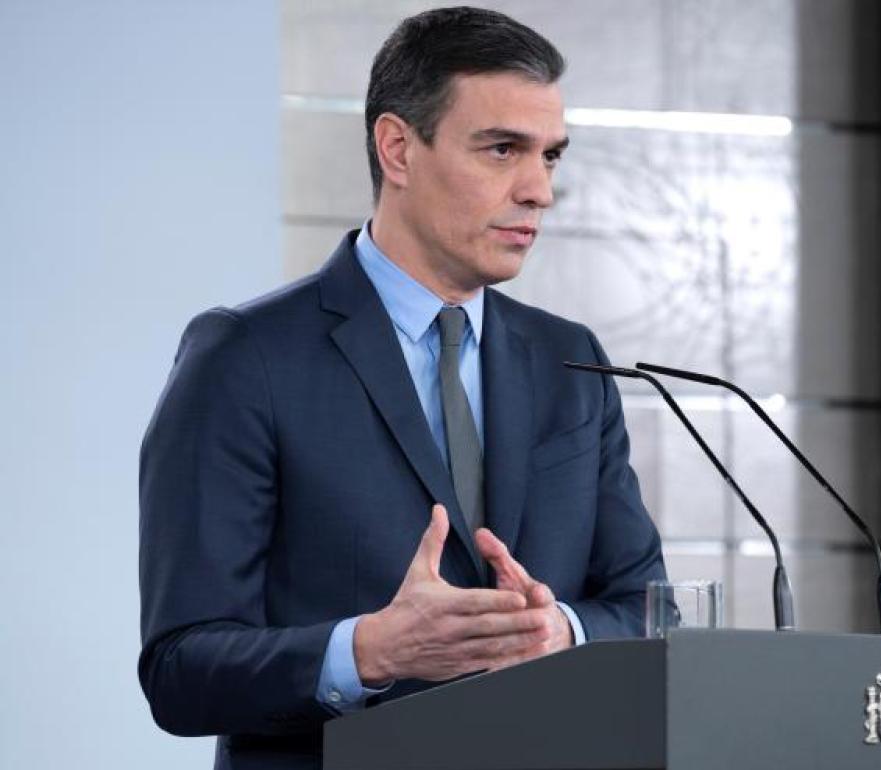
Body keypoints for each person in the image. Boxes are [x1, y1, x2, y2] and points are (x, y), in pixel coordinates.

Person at [137, 8, 666, 769]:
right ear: (398, 148)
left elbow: (647, 611)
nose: (538, 190)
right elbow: (180, 671)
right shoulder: (245, 356)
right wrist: (370, 651)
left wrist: (561, 632)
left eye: (549, 156)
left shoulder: (570, 361)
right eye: (502, 149)